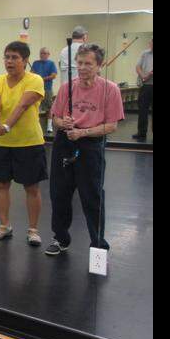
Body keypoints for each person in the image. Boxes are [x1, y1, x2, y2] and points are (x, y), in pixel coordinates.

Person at [47, 44, 124, 255]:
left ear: (99, 65)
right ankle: (60, 238)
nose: (82, 68)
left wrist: (83, 132)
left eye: (88, 63)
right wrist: (64, 123)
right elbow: (55, 118)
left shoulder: (111, 90)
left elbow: (111, 126)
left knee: (92, 196)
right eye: (79, 63)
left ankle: (98, 245)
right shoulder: (66, 88)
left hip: (91, 144)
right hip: (65, 142)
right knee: (59, 194)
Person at [0, 41, 47, 246]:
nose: (9, 61)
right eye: (6, 57)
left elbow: (22, 106)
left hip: (29, 143)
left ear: (25, 60)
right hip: (2, 144)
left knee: (31, 187)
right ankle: (4, 226)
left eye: (14, 57)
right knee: (1, 185)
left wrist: (5, 126)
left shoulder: (35, 80)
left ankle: (33, 230)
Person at [30, 47, 58, 135]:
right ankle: (35, 125)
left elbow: (53, 75)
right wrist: (34, 77)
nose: (43, 55)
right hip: (36, 89)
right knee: (35, 107)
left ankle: (49, 126)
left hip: (47, 89)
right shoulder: (35, 63)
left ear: (48, 55)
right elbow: (31, 73)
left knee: (49, 108)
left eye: (45, 53)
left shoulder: (51, 63)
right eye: (41, 53)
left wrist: (41, 79)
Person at [133, 37, 153, 140]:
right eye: (151, 42)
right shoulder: (144, 54)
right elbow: (138, 67)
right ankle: (141, 132)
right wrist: (144, 76)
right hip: (145, 86)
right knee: (142, 110)